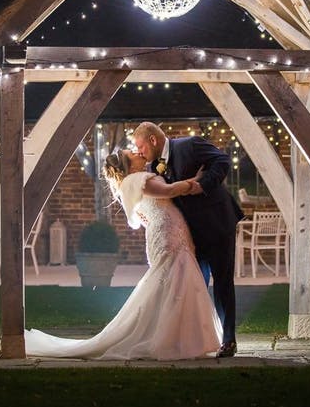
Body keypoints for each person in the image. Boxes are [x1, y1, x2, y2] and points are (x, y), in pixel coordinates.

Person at [23, 149, 221, 360]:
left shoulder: (130, 184)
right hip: (169, 234)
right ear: (129, 165)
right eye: (133, 153)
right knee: (177, 280)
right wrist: (199, 180)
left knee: (175, 281)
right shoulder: (140, 179)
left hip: (167, 231)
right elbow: (170, 191)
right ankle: (175, 340)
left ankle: (179, 337)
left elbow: (145, 214)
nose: (138, 152)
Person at [132, 121, 244, 358]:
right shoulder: (152, 166)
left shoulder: (189, 146)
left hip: (217, 223)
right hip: (190, 233)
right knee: (196, 285)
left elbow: (222, 161)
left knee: (223, 282)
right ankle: (196, 339)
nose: (139, 152)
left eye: (140, 146)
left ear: (153, 140)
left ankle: (228, 340)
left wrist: (201, 185)